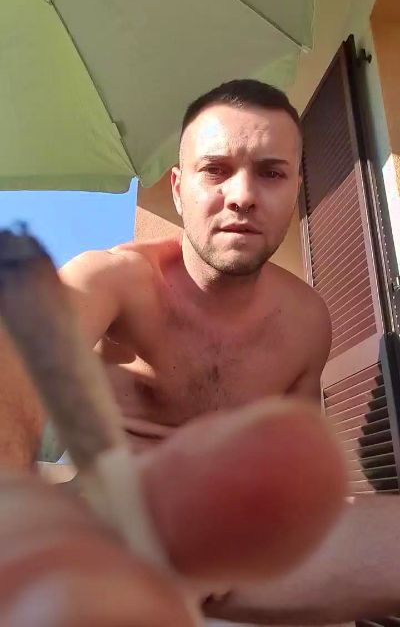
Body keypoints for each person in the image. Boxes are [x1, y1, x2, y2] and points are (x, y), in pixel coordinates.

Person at [0, 79, 399, 623]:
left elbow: (291, 461)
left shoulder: (307, 320)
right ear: (178, 187)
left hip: (240, 543)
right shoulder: (116, 279)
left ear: (296, 188)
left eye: (271, 173)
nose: (242, 196)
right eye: (215, 170)